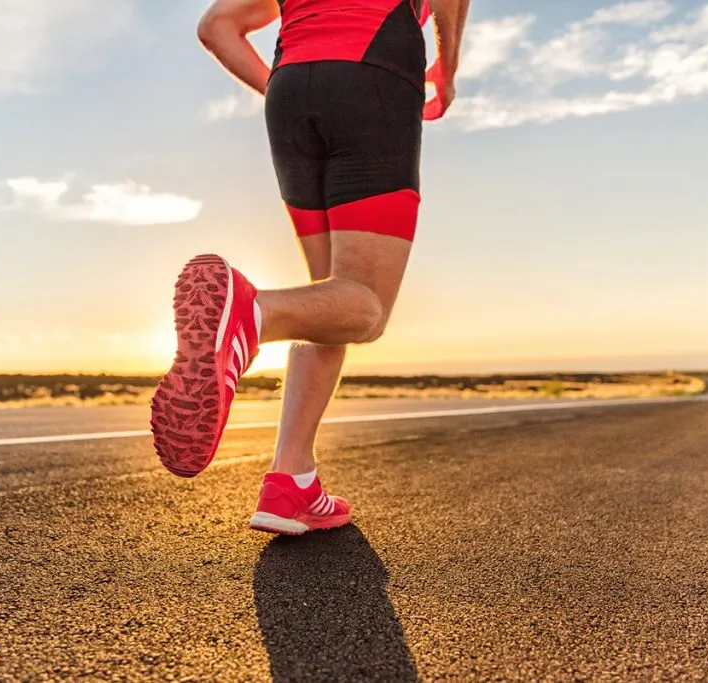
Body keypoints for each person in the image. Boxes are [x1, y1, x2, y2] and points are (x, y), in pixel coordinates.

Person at [151, 0, 470, 535]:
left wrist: (283, 85)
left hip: (291, 94)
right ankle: (252, 312)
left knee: (327, 304)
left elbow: (216, 27)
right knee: (366, 308)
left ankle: (290, 480)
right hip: (374, 78)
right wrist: (447, 68)